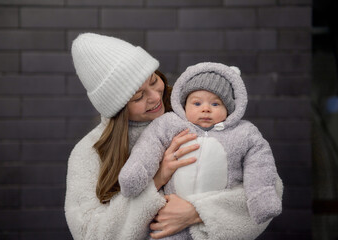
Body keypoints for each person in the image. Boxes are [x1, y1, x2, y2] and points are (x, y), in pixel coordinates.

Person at [64, 33, 283, 240]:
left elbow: (268, 189)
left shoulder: (193, 112)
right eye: (139, 96)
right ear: (117, 108)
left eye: (153, 80)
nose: (155, 96)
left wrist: (198, 212)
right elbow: (89, 233)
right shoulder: (88, 152)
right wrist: (157, 180)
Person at [119, 62, 282, 239]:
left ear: (229, 109)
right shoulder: (170, 124)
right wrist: (138, 175)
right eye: (197, 103)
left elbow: (260, 163)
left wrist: (261, 196)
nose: (205, 108)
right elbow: (149, 145)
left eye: (215, 103)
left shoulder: (243, 133)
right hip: (170, 224)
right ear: (184, 105)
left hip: (214, 226)